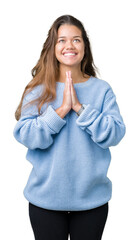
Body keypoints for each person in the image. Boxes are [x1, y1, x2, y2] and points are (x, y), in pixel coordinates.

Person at [13, 14, 126, 240]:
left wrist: (80, 109)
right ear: (52, 46)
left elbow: (115, 133)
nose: (69, 46)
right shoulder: (37, 89)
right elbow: (26, 135)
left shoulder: (102, 89)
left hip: (91, 202)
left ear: (84, 46)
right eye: (61, 40)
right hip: (44, 201)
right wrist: (62, 110)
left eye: (76, 39)